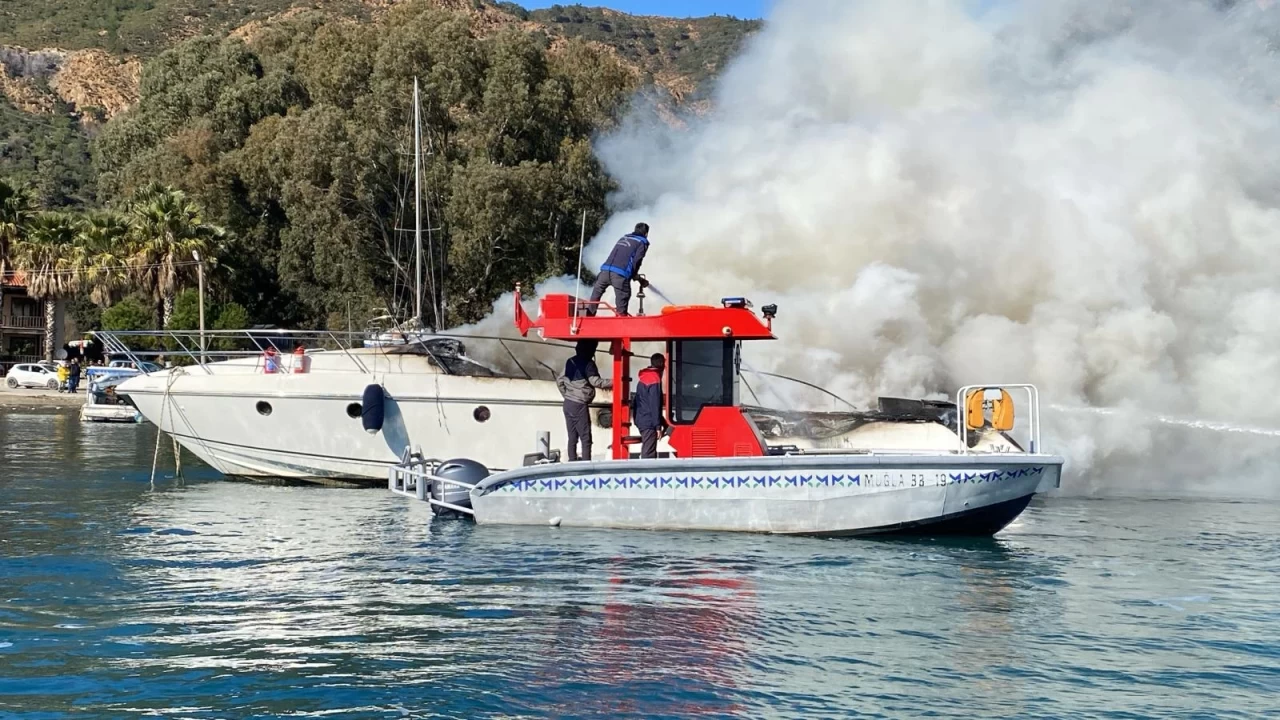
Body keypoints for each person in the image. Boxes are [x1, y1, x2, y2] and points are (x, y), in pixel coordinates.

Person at [556, 340, 612, 461]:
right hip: (580, 404)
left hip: (568, 403)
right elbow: (596, 382)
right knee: (585, 437)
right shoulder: (589, 364)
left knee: (572, 437)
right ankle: (586, 463)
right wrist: (615, 381)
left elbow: (559, 380)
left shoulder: (569, 361)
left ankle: (572, 461)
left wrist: (567, 395)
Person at [587, 222, 651, 316]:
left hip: (604, 272)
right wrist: (634, 275)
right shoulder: (642, 242)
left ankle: (588, 317)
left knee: (595, 298)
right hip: (619, 275)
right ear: (646, 233)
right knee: (623, 298)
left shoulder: (623, 238)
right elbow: (637, 261)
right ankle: (621, 321)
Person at [631, 353, 667, 459]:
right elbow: (654, 405)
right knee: (649, 451)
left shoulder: (644, 377)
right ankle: (646, 473)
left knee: (648, 447)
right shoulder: (654, 379)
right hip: (649, 421)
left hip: (641, 418)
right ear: (661, 364)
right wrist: (658, 426)